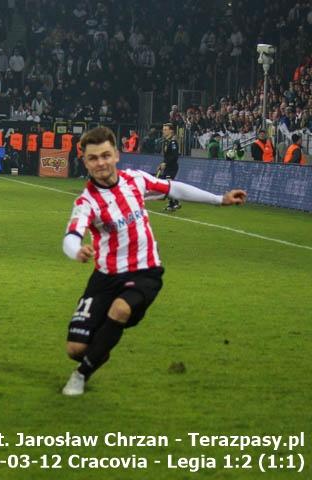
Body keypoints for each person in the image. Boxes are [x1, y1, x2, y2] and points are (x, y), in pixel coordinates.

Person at [60, 127, 247, 396]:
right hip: (105, 277)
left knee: (121, 310)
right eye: (93, 158)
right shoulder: (86, 202)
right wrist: (76, 251)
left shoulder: (135, 180)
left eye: (105, 155)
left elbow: (174, 188)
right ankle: (94, 355)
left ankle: (80, 376)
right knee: (75, 349)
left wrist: (219, 199)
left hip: (145, 270)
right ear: (85, 162)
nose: (100, 163)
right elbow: (71, 235)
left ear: (117, 155)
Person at [157, 123, 181, 211]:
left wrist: (165, 163)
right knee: (166, 186)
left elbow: (175, 156)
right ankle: (172, 204)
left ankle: (176, 202)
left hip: (172, 167)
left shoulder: (173, 142)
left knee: (169, 185)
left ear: (171, 131)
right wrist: (162, 164)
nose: (163, 131)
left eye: (165, 129)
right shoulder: (166, 142)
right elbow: (167, 156)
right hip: (167, 166)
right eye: (163, 129)